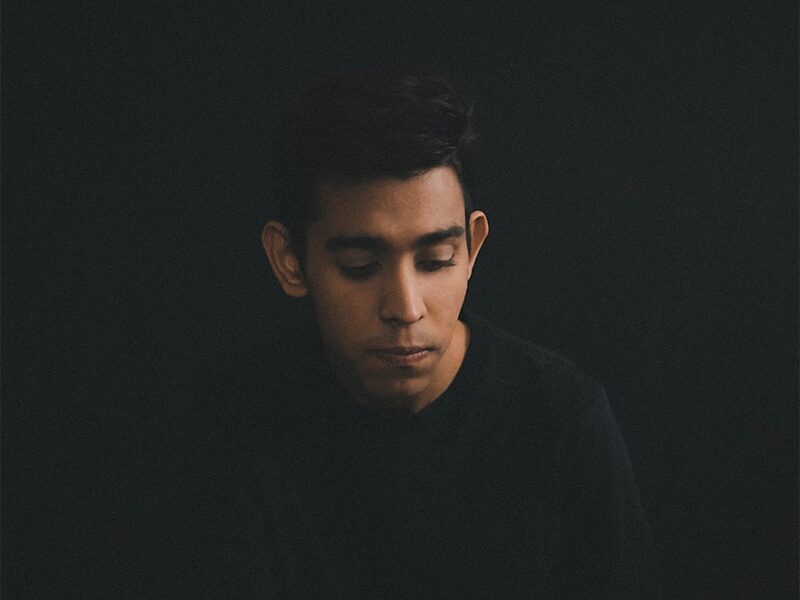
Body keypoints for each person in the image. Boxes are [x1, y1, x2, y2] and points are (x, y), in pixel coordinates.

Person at [187, 67, 659, 599]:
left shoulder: (562, 424)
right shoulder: (240, 424)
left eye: (435, 260)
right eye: (361, 267)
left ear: (473, 248)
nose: (406, 309)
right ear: (290, 260)